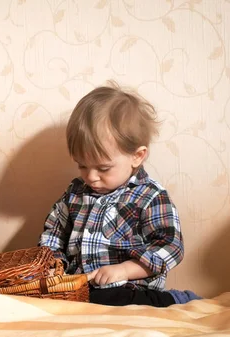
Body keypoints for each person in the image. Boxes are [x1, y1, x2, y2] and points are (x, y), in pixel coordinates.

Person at [39, 81, 200, 307]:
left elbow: (170, 248)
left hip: (129, 287)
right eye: (82, 166)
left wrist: (124, 270)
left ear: (137, 156)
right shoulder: (74, 194)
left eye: (103, 168)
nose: (91, 177)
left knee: (119, 299)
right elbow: (53, 234)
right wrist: (53, 267)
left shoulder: (149, 196)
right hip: (81, 287)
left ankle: (176, 298)